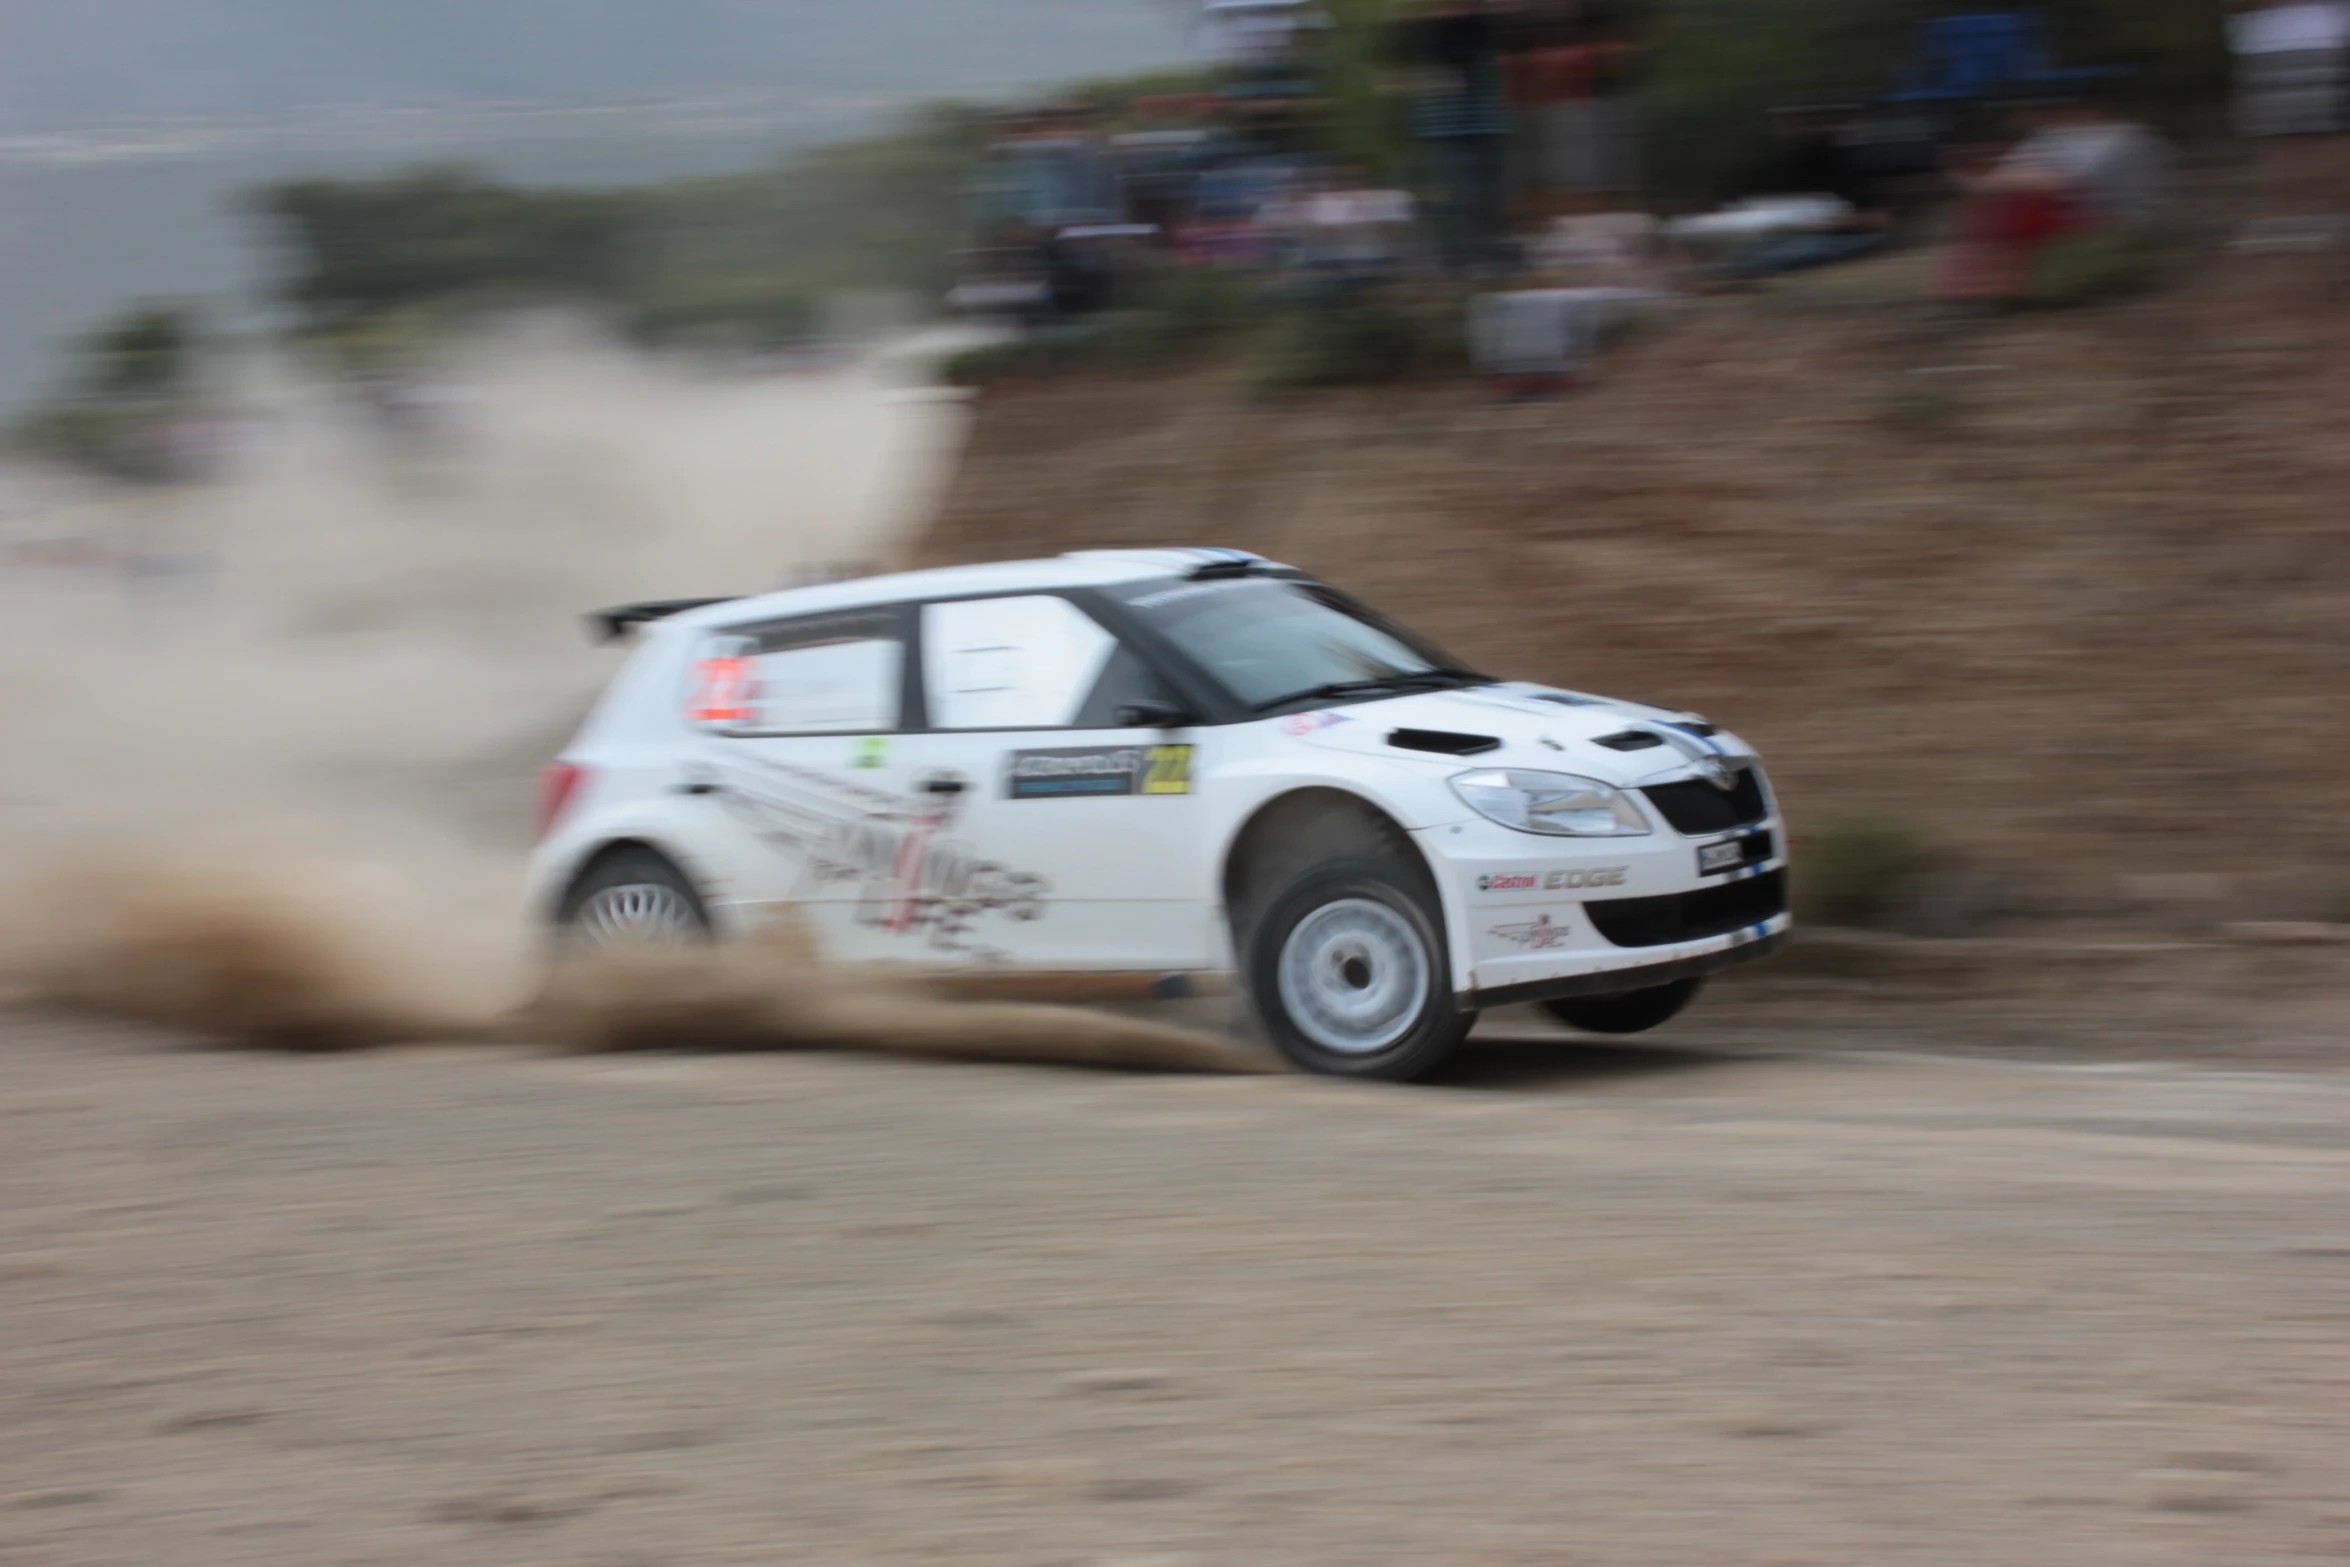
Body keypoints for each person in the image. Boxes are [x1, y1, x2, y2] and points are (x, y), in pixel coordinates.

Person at [1935, 87, 2167, 307]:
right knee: (2003, 207)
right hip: (2072, 215)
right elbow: (2015, 174)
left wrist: (1984, 182)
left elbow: (2069, 182)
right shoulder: (2052, 137)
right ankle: (1982, 285)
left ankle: (2003, 286)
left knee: (2022, 209)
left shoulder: (2125, 139)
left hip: (2115, 220)